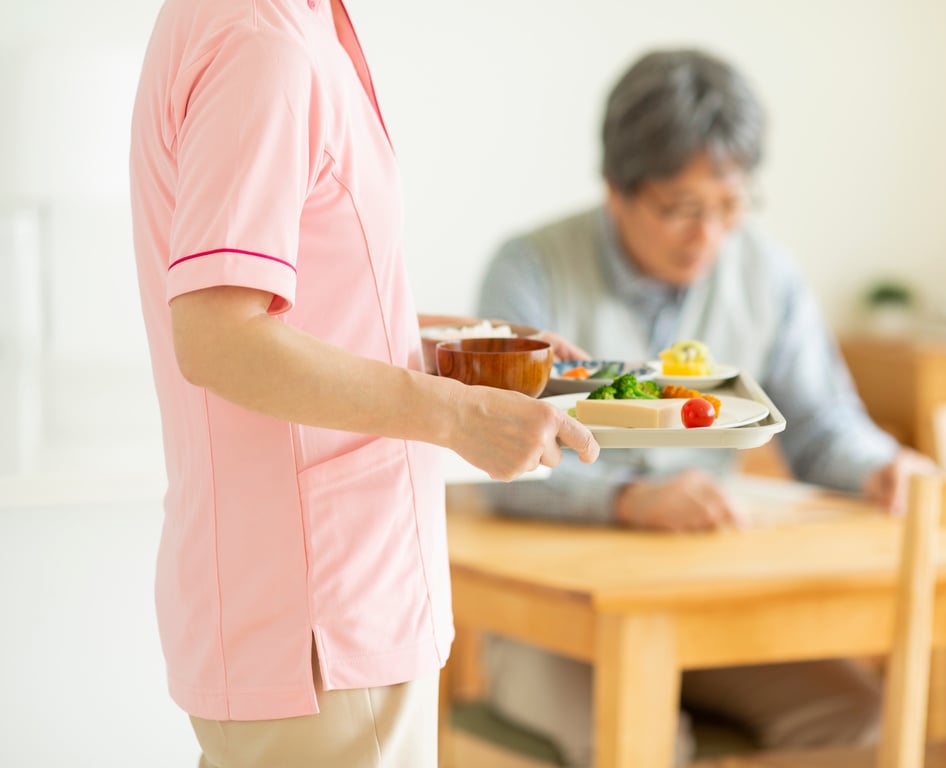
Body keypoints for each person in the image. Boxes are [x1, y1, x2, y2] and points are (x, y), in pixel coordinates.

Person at [128, 1, 599, 766]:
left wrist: (468, 349)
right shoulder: (262, 45)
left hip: (311, 613)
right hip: (324, 626)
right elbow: (218, 337)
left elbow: (310, 301)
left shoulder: (268, 23)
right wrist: (455, 415)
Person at [477, 48, 935, 766]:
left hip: (712, 607)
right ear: (615, 190)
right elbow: (496, 459)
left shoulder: (768, 273)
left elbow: (821, 425)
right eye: (682, 209)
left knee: (860, 722)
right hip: (555, 624)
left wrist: (880, 467)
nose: (709, 237)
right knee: (643, 740)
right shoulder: (530, 272)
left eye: (729, 208)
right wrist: (632, 499)